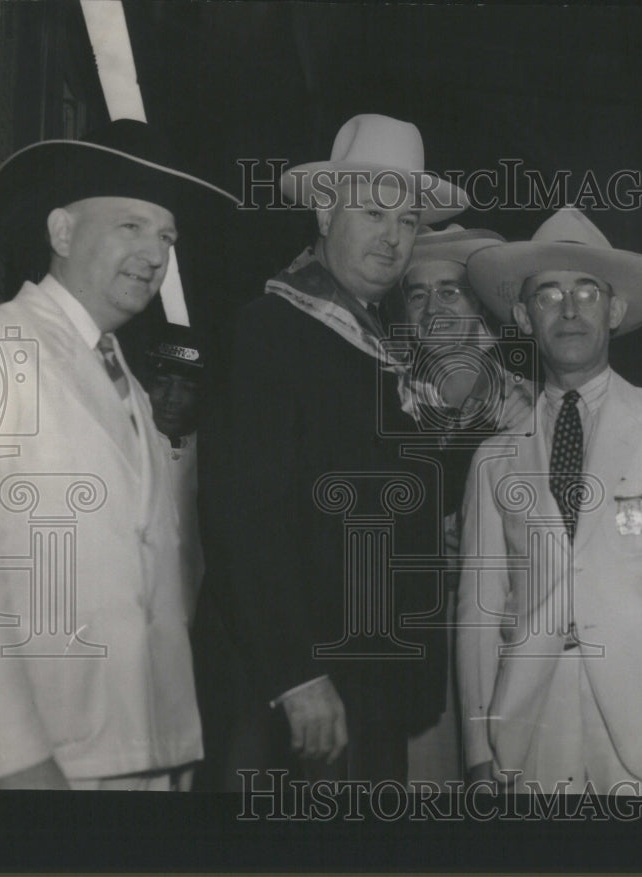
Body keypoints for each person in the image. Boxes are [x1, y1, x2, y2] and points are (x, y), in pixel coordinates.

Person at [0, 119, 237, 790]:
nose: (155, 253)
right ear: (61, 232)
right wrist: (17, 760)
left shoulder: (127, 381)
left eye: (167, 235)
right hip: (42, 765)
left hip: (141, 753)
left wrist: (172, 745)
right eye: (131, 226)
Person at [193, 114, 467, 789]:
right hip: (299, 698)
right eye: (373, 212)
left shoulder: (383, 351)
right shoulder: (272, 331)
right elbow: (244, 517)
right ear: (324, 212)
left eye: (407, 221)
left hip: (375, 693)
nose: (394, 236)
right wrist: (296, 675)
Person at [456, 207, 642, 795]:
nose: (569, 311)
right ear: (524, 317)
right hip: (529, 722)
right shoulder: (495, 457)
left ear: (615, 311)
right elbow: (479, 612)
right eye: (548, 295)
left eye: (587, 293)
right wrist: (478, 747)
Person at [394, 224, 535, 783]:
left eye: (450, 290)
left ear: (479, 304)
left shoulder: (529, 405)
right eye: (417, 293)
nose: (434, 307)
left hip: (502, 631)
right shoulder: (381, 400)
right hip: (406, 630)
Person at [139, 323, 206, 621]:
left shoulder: (222, 460)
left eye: (188, 388)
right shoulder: (124, 450)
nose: (172, 398)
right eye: (162, 382)